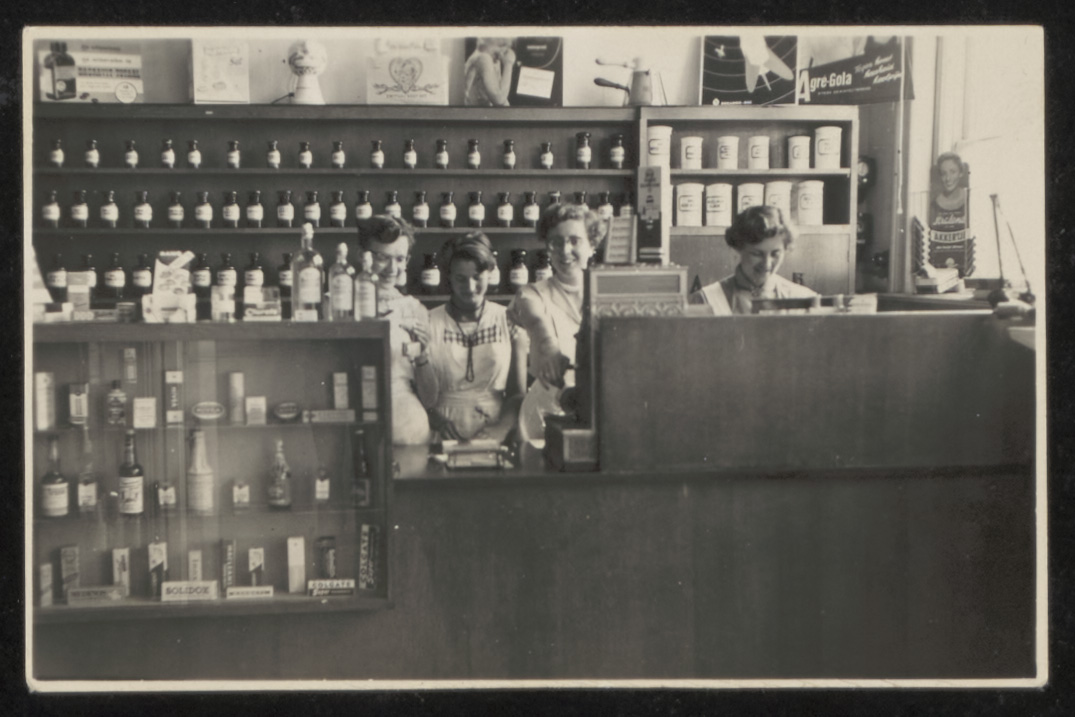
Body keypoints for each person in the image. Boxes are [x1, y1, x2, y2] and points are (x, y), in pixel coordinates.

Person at [508, 203, 603, 445]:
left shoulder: (606, 295)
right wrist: (548, 345)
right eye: (556, 242)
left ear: (592, 245)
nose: (565, 250)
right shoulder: (532, 293)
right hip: (545, 416)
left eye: (574, 241)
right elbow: (535, 319)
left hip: (599, 415)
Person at [416, 233, 526, 442]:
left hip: (494, 432)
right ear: (449, 277)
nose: (470, 287)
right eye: (460, 279)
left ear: (490, 273)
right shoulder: (428, 322)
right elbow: (417, 392)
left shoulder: (509, 320)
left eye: (477, 277)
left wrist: (501, 429)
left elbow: (517, 394)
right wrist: (437, 421)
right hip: (441, 432)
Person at [356, 215, 432, 445]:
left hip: (406, 426)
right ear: (362, 256)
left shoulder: (414, 309)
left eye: (400, 259)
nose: (392, 269)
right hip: (352, 419)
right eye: (382, 258)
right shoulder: (337, 304)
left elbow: (430, 398)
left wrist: (423, 355)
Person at [689, 204, 817, 315]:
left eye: (775, 254)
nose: (767, 264)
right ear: (738, 249)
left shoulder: (804, 300)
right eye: (757, 254)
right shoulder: (705, 300)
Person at [464, 38, 516, 107]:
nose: (502, 53)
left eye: (507, 47)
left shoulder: (493, 60)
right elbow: (499, 99)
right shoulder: (483, 57)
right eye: (501, 45)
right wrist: (508, 63)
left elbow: (502, 96)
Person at [928, 151, 968, 231]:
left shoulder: (969, 199)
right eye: (944, 173)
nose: (948, 178)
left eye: (953, 172)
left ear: (960, 173)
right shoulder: (934, 205)